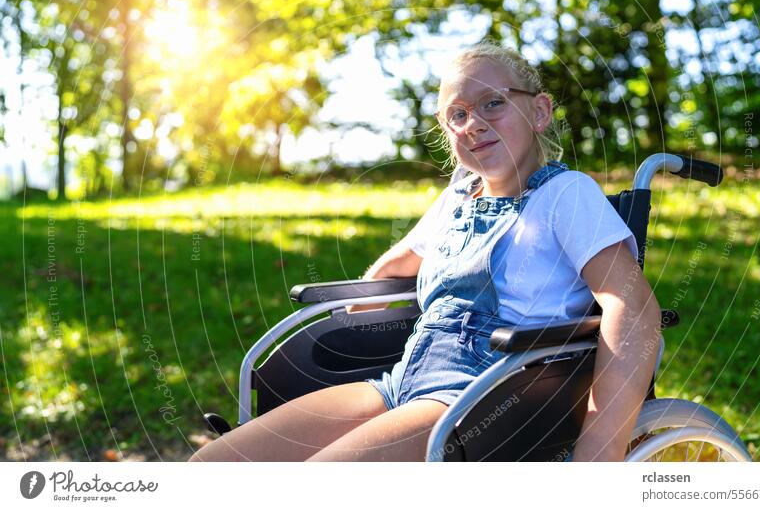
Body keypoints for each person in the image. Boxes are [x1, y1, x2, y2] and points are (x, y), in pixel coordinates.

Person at [188, 41, 662, 462]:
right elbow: (398, 264)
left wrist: (600, 447)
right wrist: (364, 303)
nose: (473, 123)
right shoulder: (457, 198)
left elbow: (632, 308)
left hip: (488, 392)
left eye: (492, 103)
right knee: (212, 470)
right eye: (457, 114)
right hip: (402, 381)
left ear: (539, 112)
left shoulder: (566, 195)